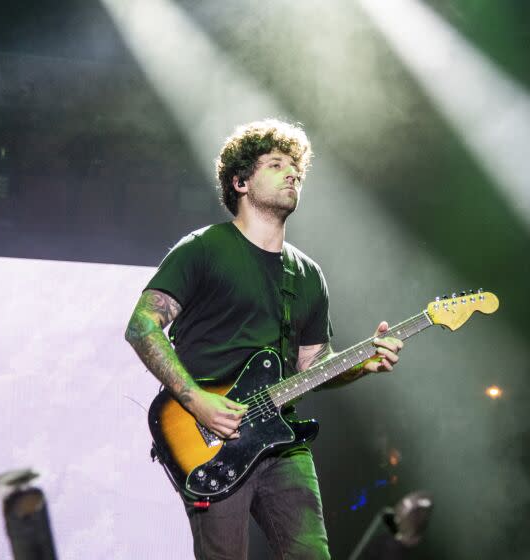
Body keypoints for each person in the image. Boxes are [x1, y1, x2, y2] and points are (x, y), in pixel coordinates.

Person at [125, 119, 404, 559]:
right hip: (210, 439)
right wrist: (199, 401)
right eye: (276, 165)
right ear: (240, 182)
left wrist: (363, 365)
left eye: (296, 168)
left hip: (282, 438)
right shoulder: (202, 249)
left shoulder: (308, 274)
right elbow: (141, 327)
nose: (292, 174)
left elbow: (313, 365)